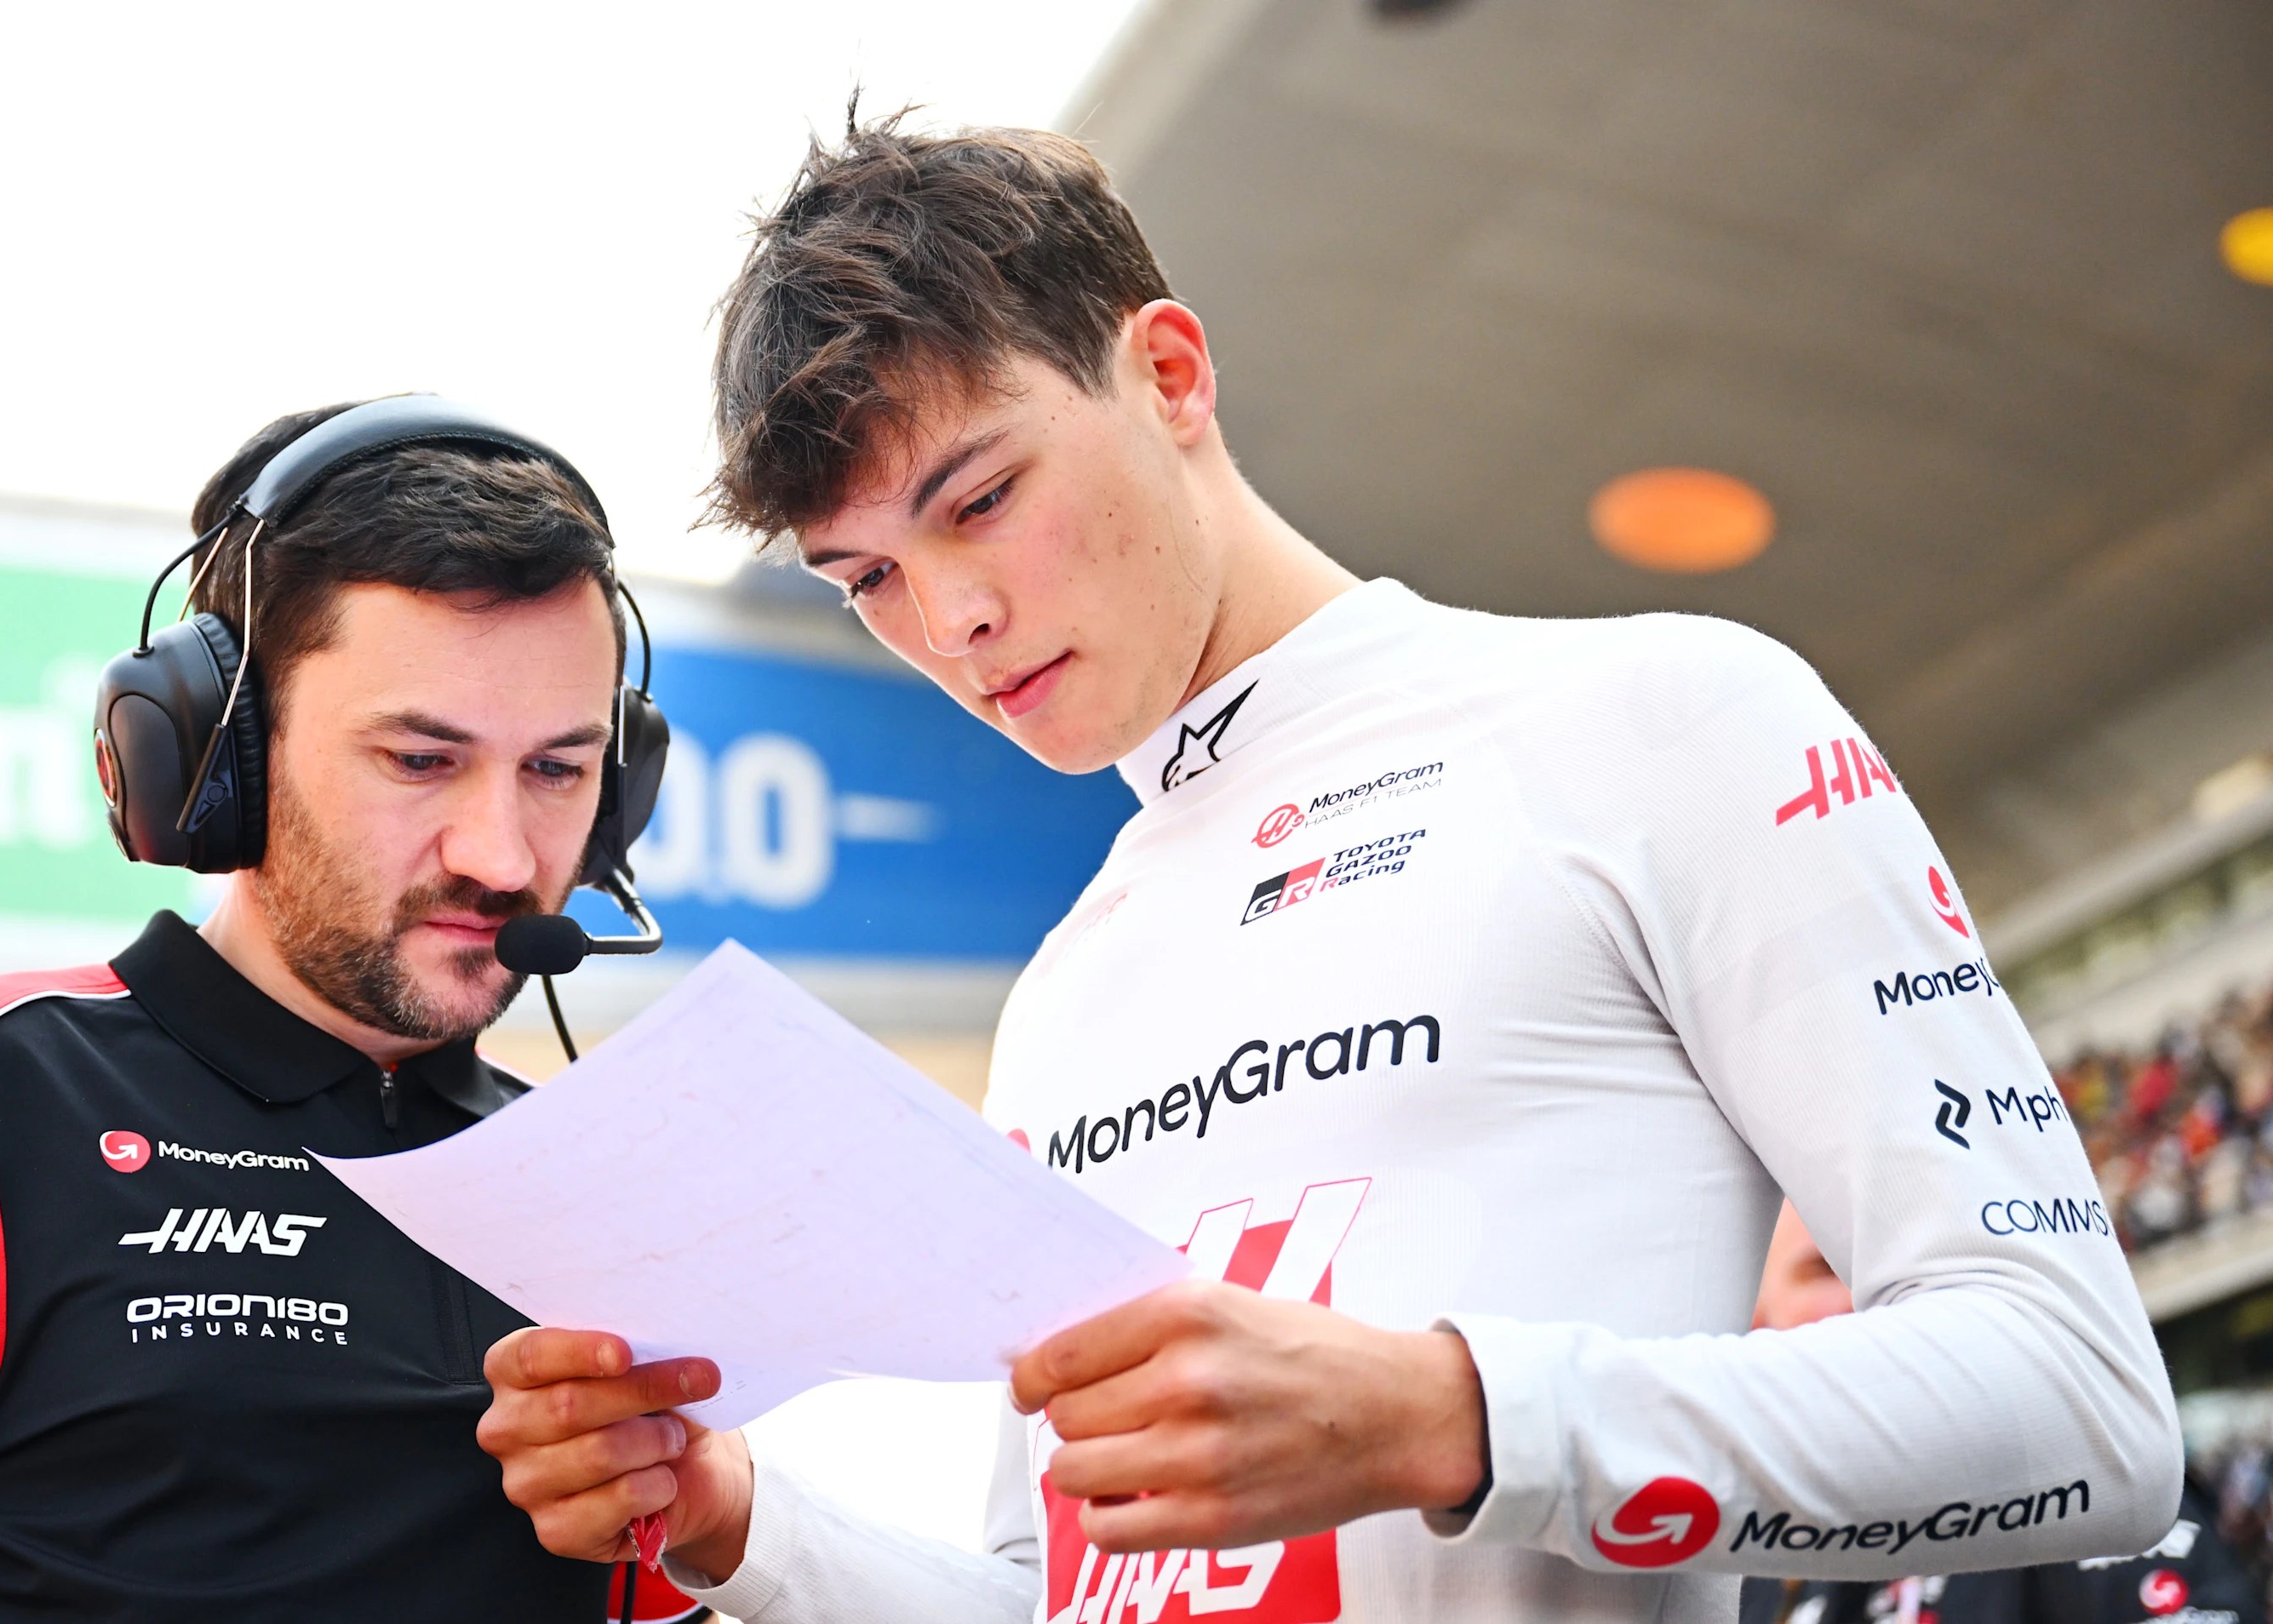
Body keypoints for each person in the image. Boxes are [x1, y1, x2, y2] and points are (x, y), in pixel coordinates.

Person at [474, 112, 2182, 1622]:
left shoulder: (1659, 717)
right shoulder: (1074, 979)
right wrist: (734, 1521)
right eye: (866, 582)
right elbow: (1050, 1586)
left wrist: (1453, 1418)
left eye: (981, 498)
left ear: (1168, 373)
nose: (952, 621)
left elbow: (2087, 1415)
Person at [0, 400, 701, 1621]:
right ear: (216, 762)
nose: (501, 856)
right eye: (420, 760)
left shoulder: (602, 1195)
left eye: (557, 769)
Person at [1738, 1206, 2260, 1624]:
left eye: (1888, 1267)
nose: (1868, 1294)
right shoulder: (1730, 1559)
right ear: (1755, 1322)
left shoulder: (2071, 1487)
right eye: (1827, 1267)